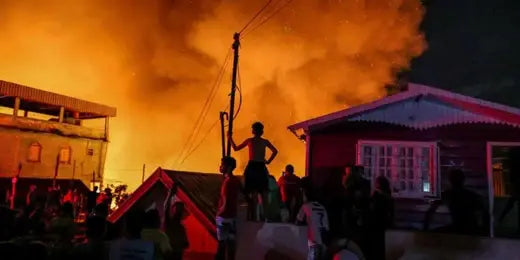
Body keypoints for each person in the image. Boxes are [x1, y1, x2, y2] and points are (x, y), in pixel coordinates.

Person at [229, 121, 278, 221]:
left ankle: (255, 218)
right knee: (263, 194)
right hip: (261, 167)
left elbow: (235, 148)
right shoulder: (265, 141)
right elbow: (275, 151)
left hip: (253, 167)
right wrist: (268, 161)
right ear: (262, 131)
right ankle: (266, 218)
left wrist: (229, 138)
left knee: (254, 194)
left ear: (253, 131)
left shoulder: (250, 141)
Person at [424, 169, 488, 235]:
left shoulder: (448, 194)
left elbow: (430, 211)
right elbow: (484, 212)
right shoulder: (471, 195)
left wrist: (425, 229)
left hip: (462, 229)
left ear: (450, 180)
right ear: (463, 180)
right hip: (470, 229)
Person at [215, 156, 242, 260]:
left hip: (224, 217)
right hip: (233, 217)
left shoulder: (227, 182)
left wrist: (218, 214)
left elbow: (225, 203)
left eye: (222, 165)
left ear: (229, 167)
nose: (220, 167)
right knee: (231, 246)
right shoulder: (235, 180)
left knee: (221, 246)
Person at [296, 176, 330, 260]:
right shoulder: (322, 207)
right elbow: (326, 228)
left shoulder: (305, 207)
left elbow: (298, 225)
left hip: (312, 245)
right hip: (324, 245)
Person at [368, 176, 394, 260]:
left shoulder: (376, 196)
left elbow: (372, 209)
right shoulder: (389, 197)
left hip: (376, 225)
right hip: (384, 226)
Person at [498, 147, 520, 231]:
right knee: (511, 203)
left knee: (510, 203)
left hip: (515, 183)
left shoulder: (513, 162)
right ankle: (501, 218)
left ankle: (501, 218)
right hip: (516, 183)